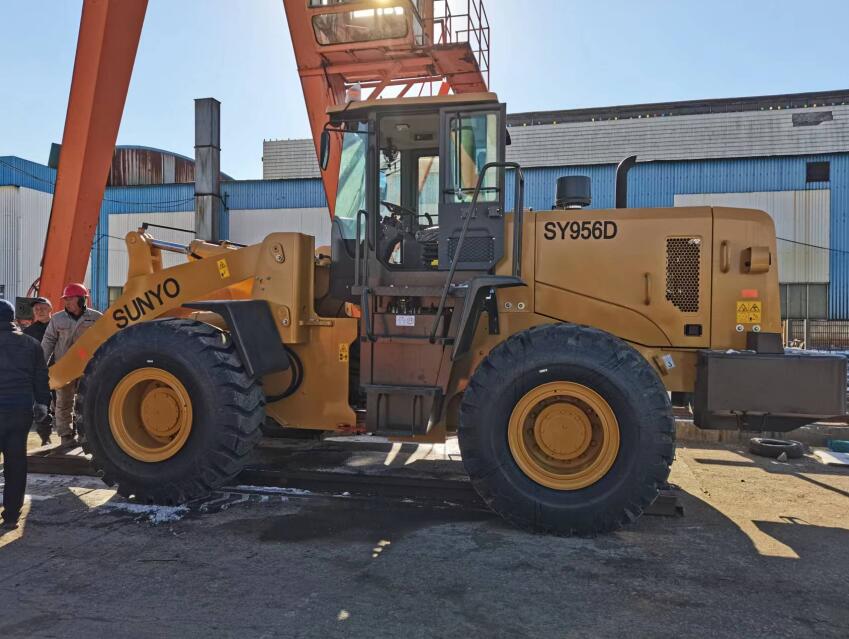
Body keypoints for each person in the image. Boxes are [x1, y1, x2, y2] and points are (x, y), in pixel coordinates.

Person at [0, 299, 51, 530]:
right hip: (20, 411)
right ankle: (11, 515)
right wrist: (42, 406)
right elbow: (41, 378)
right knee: (16, 461)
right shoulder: (31, 344)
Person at [42, 283, 102, 447]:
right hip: (64, 368)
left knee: (89, 402)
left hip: (89, 369)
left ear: (82, 300)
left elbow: (106, 341)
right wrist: (41, 366)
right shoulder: (57, 319)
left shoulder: (96, 318)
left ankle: (87, 436)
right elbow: (48, 342)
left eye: (70, 299)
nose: (67, 302)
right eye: (65, 299)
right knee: (63, 403)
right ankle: (66, 436)